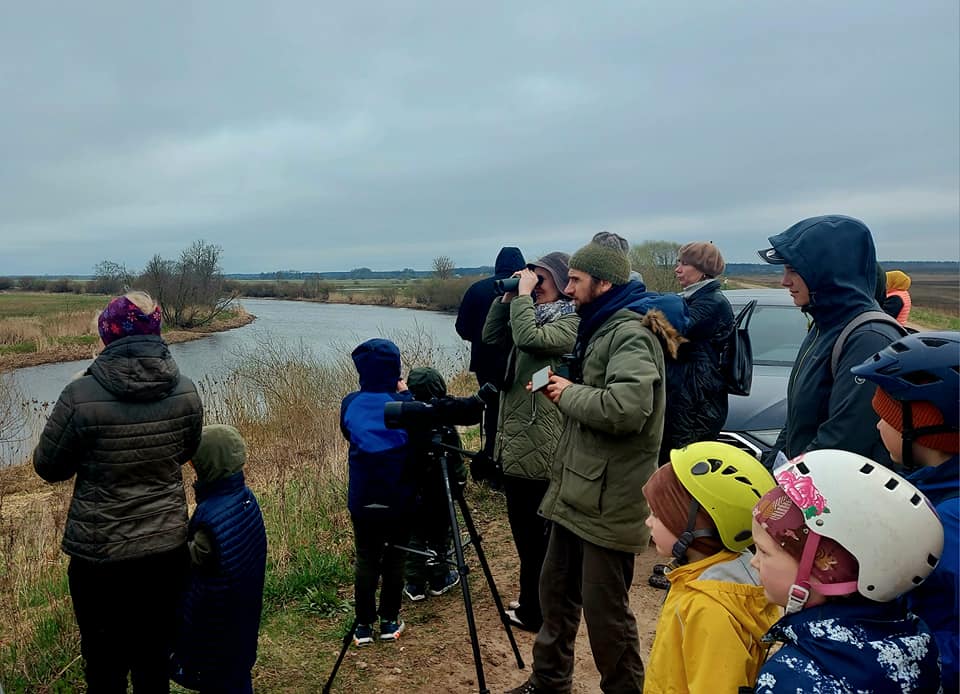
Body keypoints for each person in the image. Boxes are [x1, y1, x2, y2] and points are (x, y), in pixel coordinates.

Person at [508, 232, 666, 694]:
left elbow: (627, 409)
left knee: (606, 616)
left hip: (609, 500)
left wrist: (568, 392)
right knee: (554, 595)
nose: (568, 288)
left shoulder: (631, 334)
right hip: (576, 491)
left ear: (604, 283)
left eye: (575, 280)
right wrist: (563, 383)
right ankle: (549, 682)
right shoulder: (599, 326)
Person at [33, 290, 204, 692]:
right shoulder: (186, 390)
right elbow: (186, 452)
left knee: (104, 667)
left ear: (107, 335)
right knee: (154, 662)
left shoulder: (79, 394)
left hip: (101, 557)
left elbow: (48, 467)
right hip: (166, 552)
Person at [750, 449, 943, 693]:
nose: (753, 562)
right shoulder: (914, 635)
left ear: (827, 571)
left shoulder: (793, 676)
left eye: (763, 551)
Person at [852, 331, 959, 692]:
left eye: (888, 417)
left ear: (926, 427)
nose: (877, 425)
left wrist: (898, 657)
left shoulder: (948, 522)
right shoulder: (929, 489)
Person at [757, 215, 904, 467]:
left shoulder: (869, 338)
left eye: (794, 270)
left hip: (838, 487)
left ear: (828, 271)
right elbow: (797, 422)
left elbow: (843, 439)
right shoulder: (824, 326)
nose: (784, 281)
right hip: (807, 481)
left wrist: (789, 483)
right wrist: (771, 468)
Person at [481, 251, 578, 632]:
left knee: (532, 536)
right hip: (522, 438)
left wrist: (522, 297)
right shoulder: (534, 315)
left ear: (562, 283)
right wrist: (508, 297)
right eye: (531, 278)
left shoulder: (569, 322)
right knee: (527, 534)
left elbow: (527, 338)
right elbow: (491, 337)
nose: (534, 286)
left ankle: (535, 612)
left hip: (540, 443)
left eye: (541, 280)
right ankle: (532, 601)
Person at [641, 442, 780, 693]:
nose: (648, 521)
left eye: (658, 515)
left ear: (695, 526)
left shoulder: (710, 610)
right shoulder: (696, 575)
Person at [171, 425, 267, 693]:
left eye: (196, 463)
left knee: (219, 681)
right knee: (236, 676)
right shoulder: (245, 498)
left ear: (208, 466)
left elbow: (189, 561)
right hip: (241, 616)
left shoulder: (212, 517)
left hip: (216, 626)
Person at [340, 338, 415, 646]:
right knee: (395, 558)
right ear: (394, 369)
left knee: (366, 558)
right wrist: (405, 392)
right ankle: (388, 621)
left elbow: (348, 433)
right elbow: (417, 428)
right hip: (399, 498)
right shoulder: (404, 405)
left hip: (362, 497)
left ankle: (362, 626)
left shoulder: (350, 403)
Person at [455, 247, 526, 484]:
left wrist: (479, 338)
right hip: (521, 361)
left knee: (492, 410)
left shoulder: (477, 289)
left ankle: (492, 462)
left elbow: (462, 328)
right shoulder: (529, 291)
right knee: (519, 412)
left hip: (485, 362)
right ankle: (513, 466)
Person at [662, 241, 734, 463]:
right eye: (678, 263)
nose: (677, 269)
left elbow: (675, 331)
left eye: (684, 264)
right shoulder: (692, 298)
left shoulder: (711, 302)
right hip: (687, 394)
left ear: (703, 270)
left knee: (683, 461)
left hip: (696, 400)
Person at [401, 366, 464, 602]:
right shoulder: (443, 424)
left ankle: (414, 584)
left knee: (414, 535)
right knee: (440, 534)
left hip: (412, 491)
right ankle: (440, 577)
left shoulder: (404, 419)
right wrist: (460, 483)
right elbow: (456, 459)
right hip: (440, 491)